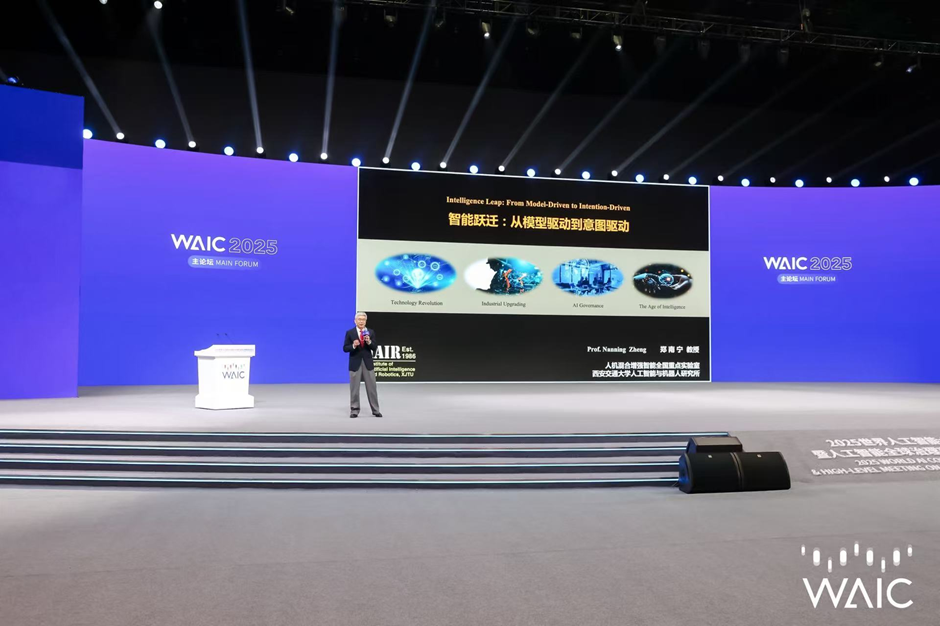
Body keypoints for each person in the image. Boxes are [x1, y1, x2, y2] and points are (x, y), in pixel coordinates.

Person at [343, 311, 382, 418]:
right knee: (354, 389)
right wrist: (353, 345)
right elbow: (345, 348)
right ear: (355, 321)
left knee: (372, 388)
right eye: (359, 319)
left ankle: (375, 410)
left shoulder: (370, 332)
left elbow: (375, 347)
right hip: (355, 363)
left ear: (366, 321)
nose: (361, 321)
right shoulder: (350, 333)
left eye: (363, 320)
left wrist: (369, 342)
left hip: (368, 363)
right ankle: (354, 410)